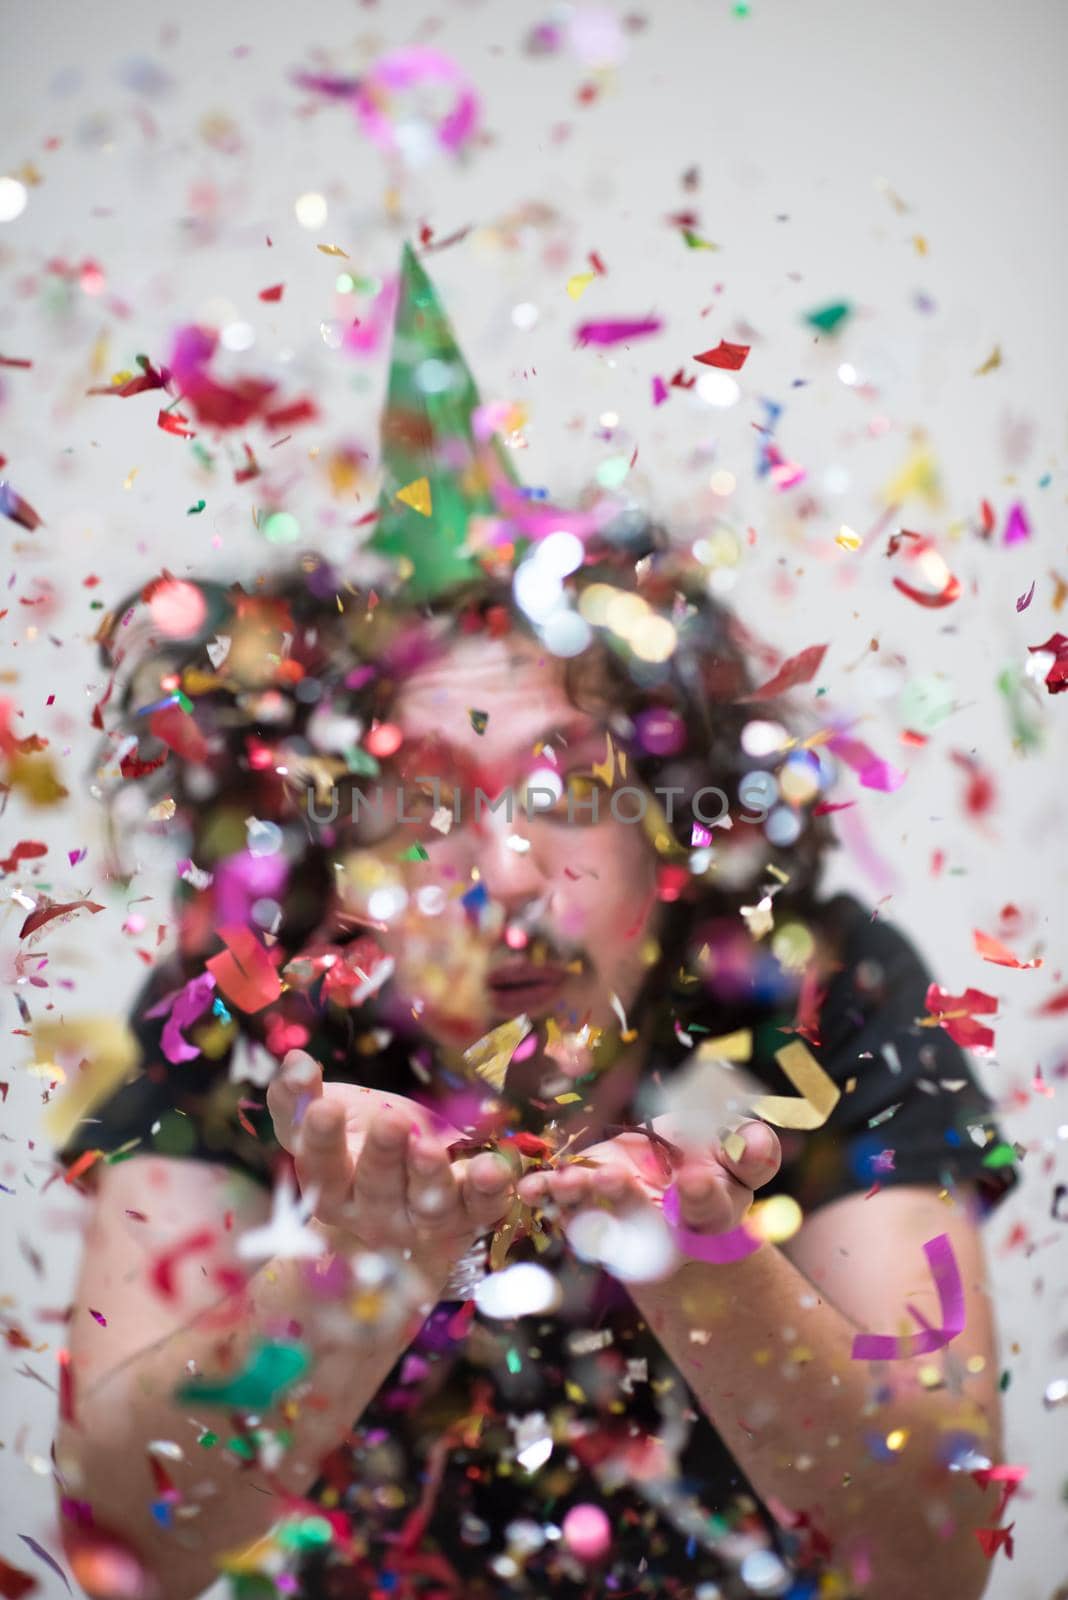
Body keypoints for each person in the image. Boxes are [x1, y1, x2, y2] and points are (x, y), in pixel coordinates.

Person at [52, 247, 1015, 1600]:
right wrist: (360, 1271)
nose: (502, 874)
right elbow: (121, 1536)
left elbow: (940, 1554)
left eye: (566, 789)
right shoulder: (245, 1012)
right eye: (420, 805)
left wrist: (709, 1269)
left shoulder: (822, 990)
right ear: (333, 861)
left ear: (671, 819)